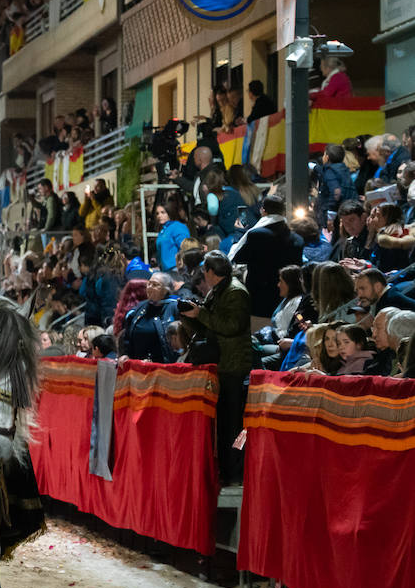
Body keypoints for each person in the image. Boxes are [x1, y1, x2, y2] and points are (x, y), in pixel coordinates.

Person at [179, 251, 251, 485]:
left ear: (211, 272)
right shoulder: (217, 290)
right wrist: (191, 314)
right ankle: (224, 470)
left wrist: (201, 313)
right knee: (221, 421)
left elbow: (232, 325)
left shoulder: (235, 292)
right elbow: (210, 322)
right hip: (219, 363)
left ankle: (234, 473)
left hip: (232, 365)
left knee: (231, 422)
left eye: (205, 271)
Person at [229, 195, 303, 328]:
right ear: (283, 212)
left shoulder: (256, 235)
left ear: (263, 211)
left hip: (260, 302)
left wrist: (240, 233)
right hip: (287, 302)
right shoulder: (297, 239)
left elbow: (238, 258)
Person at [120, 272, 180, 363]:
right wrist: (126, 354)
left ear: (165, 290)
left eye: (155, 285)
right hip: (139, 366)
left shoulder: (174, 307)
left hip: (165, 367)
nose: (150, 287)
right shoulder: (140, 307)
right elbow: (127, 336)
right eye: (149, 283)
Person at [155, 197, 191, 272]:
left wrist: (181, 266)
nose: (159, 216)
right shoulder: (163, 230)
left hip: (176, 269)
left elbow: (185, 247)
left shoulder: (178, 227)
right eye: (157, 213)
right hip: (165, 270)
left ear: (170, 212)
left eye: (163, 212)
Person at [329, 199, 370, 263]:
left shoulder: (371, 241)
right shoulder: (344, 242)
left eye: (351, 220)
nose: (348, 225)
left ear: (363, 217)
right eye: (344, 222)